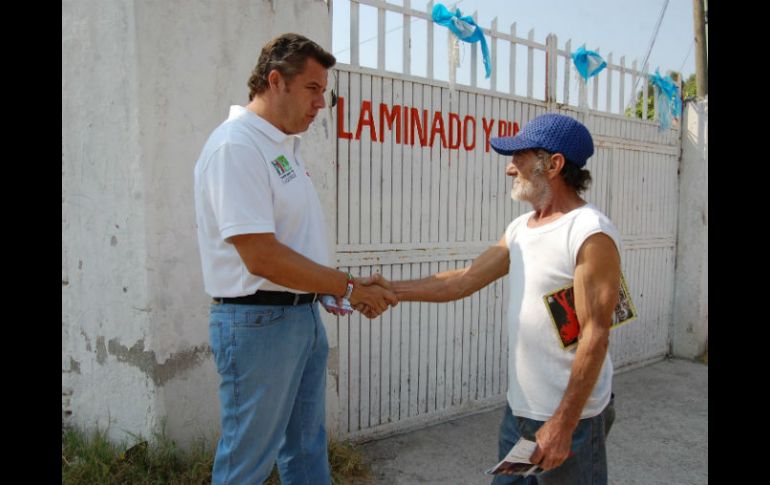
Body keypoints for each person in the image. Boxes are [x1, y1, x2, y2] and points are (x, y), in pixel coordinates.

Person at [359, 113, 621, 484]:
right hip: (520, 413)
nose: (509, 169)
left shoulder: (589, 232)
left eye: (519, 157)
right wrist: (390, 290)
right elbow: (462, 281)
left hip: (572, 419)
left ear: (555, 165)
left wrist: (563, 422)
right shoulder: (520, 229)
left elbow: (596, 335)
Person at [193, 33, 397, 485]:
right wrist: (346, 285)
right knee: (247, 461)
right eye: (313, 89)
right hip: (257, 324)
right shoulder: (237, 147)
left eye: (323, 91)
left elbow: (294, 242)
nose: (321, 103)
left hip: (298, 318)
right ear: (275, 81)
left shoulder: (280, 147)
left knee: (305, 451)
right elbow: (261, 256)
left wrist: (336, 289)